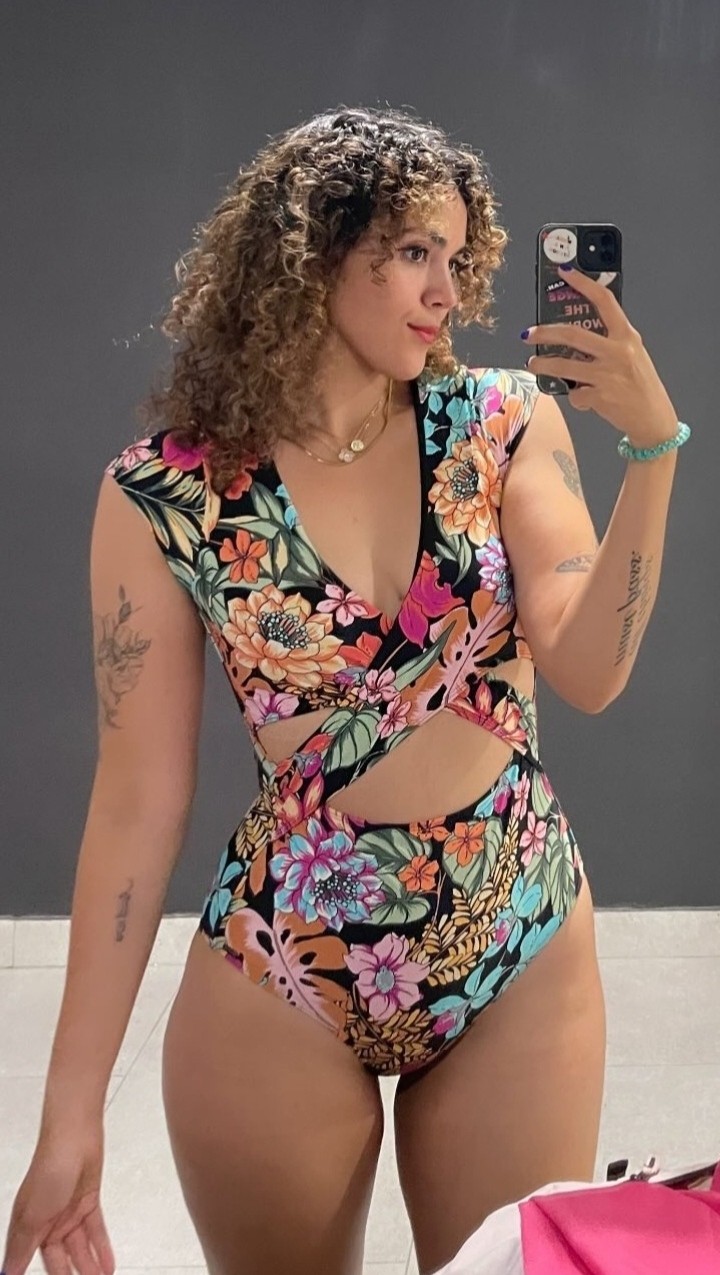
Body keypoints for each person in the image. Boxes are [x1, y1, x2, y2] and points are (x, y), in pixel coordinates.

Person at [3, 104, 687, 1275]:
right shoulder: (165, 494)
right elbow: (134, 807)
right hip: (284, 966)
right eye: (413, 252)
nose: (445, 292)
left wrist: (653, 452)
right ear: (311, 254)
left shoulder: (504, 425)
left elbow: (590, 671)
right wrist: (69, 1118)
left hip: (513, 940)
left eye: (457, 257)